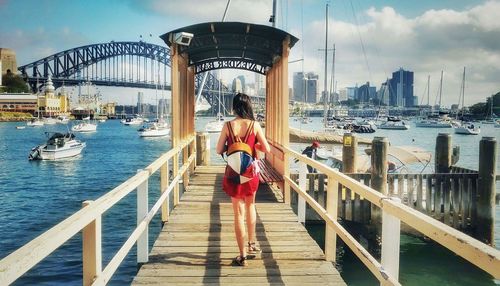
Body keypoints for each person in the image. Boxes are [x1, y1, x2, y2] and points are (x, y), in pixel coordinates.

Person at [216, 93, 271, 266]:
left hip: (233, 173)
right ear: (249, 107)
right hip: (250, 173)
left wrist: (231, 145)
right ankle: (252, 244)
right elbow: (267, 149)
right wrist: (254, 145)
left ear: (234, 107)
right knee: (250, 206)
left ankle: (242, 255)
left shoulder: (228, 126)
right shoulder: (254, 125)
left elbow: (218, 150)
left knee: (237, 212)